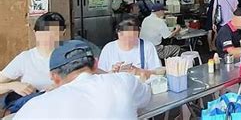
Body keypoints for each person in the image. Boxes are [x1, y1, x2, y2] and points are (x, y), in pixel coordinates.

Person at [13, 40, 151, 119]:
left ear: (54, 77)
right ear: (96, 64)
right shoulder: (123, 82)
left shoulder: (34, 107)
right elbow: (146, 96)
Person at [0, 12, 65, 111]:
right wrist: (13, 85)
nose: (47, 37)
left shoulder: (70, 56)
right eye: (43, 32)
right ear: (35, 33)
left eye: (54, 32)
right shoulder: (25, 58)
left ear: (63, 33)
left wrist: (62, 86)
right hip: (32, 112)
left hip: (61, 110)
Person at [98, 18, 164, 78]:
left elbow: (159, 72)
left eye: (134, 38)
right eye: (127, 38)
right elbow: (100, 75)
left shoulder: (147, 47)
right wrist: (112, 72)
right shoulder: (109, 49)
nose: (129, 42)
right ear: (119, 34)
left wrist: (140, 72)